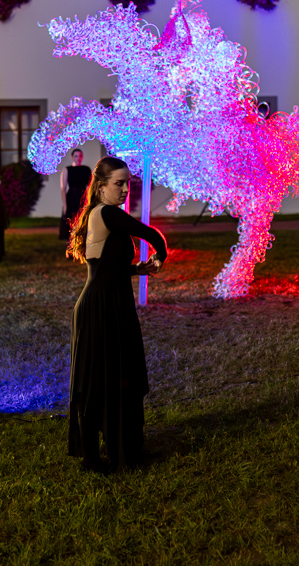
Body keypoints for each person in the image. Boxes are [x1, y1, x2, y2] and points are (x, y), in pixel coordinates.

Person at [67, 157, 168, 472]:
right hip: (100, 307)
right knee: (98, 380)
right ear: (101, 186)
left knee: (116, 376)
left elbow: (106, 267)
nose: (125, 189)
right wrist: (161, 254)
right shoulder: (107, 213)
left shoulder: (100, 214)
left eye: (128, 183)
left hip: (113, 303)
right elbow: (150, 234)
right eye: (119, 183)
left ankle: (120, 448)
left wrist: (137, 270)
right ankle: (93, 459)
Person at [59, 148, 92, 240]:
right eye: (76, 156)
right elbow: (63, 188)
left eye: (80, 156)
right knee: (71, 218)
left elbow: (90, 186)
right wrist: (65, 205)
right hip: (72, 197)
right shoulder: (67, 169)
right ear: (72, 157)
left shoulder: (86, 169)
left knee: (83, 218)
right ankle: (71, 240)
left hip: (83, 196)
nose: (78, 158)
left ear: (82, 157)